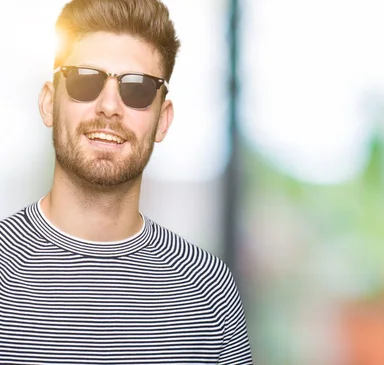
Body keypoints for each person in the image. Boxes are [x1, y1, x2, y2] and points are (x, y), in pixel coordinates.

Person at [0, 0, 253, 364]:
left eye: (137, 89)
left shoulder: (208, 290)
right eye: (85, 80)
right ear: (48, 103)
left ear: (163, 121)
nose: (109, 107)